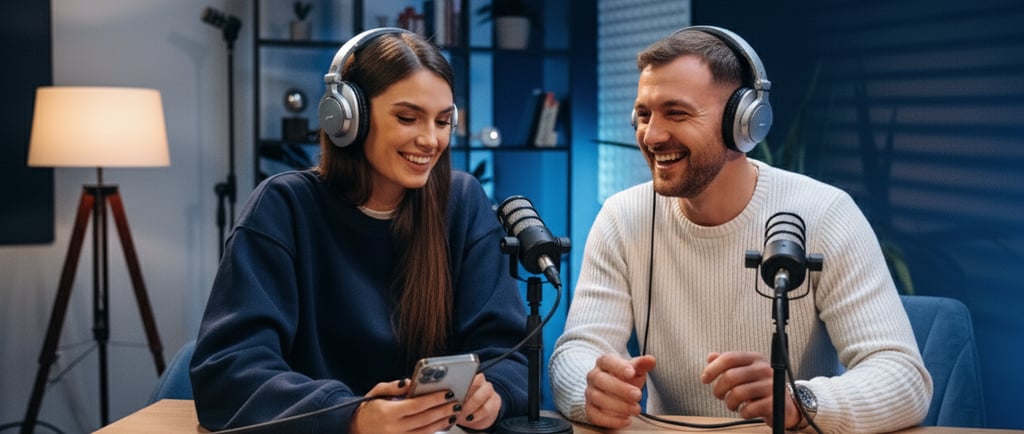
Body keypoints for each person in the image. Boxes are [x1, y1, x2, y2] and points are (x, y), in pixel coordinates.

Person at [548, 26, 932, 432]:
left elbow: (903, 377)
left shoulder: (824, 213)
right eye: (644, 114)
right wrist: (589, 389)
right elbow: (578, 351)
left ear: (745, 123)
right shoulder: (623, 217)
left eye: (676, 113)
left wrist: (799, 402)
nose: (652, 135)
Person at [190, 28, 528, 433]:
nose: (430, 139)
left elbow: (511, 354)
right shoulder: (284, 208)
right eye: (407, 117)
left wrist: (495, 393)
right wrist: (351, 415)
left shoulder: (462, 202)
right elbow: (227, 371)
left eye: (442, 121)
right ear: (346, 116)